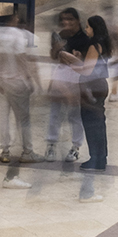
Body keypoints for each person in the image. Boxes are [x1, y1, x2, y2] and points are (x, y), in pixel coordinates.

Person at [0, 11, 39, 182]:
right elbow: (22, 59)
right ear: (14, 19)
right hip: (16, 83)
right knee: (23, 118)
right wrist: (30, 80)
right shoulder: (18, 35)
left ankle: (5, 151)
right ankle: (27, 151)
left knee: (2, 117)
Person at [44, 9, 88, 164]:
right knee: (55, 113)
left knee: (75, 115)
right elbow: (54, 57)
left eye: (69, 19)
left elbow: (83, 62)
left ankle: (76, 147)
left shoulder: (85, 38)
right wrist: (57, 49)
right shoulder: (60, 35)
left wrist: (71, 59)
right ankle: (51, 145)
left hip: (76, 77)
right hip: (61, 75)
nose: (66, 23)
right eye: (63, 19)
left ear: (77, 20)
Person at [78, 16, 114, 191]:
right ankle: (102, 157)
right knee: (99, 123)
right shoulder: (104, 43)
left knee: (91, 123)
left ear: (94, 28)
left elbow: (87, 70)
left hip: (92, 88)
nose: (86, 30)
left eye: (88, 27)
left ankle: (96, 159)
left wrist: (74, 62)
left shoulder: (94, 46)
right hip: (102, 85)